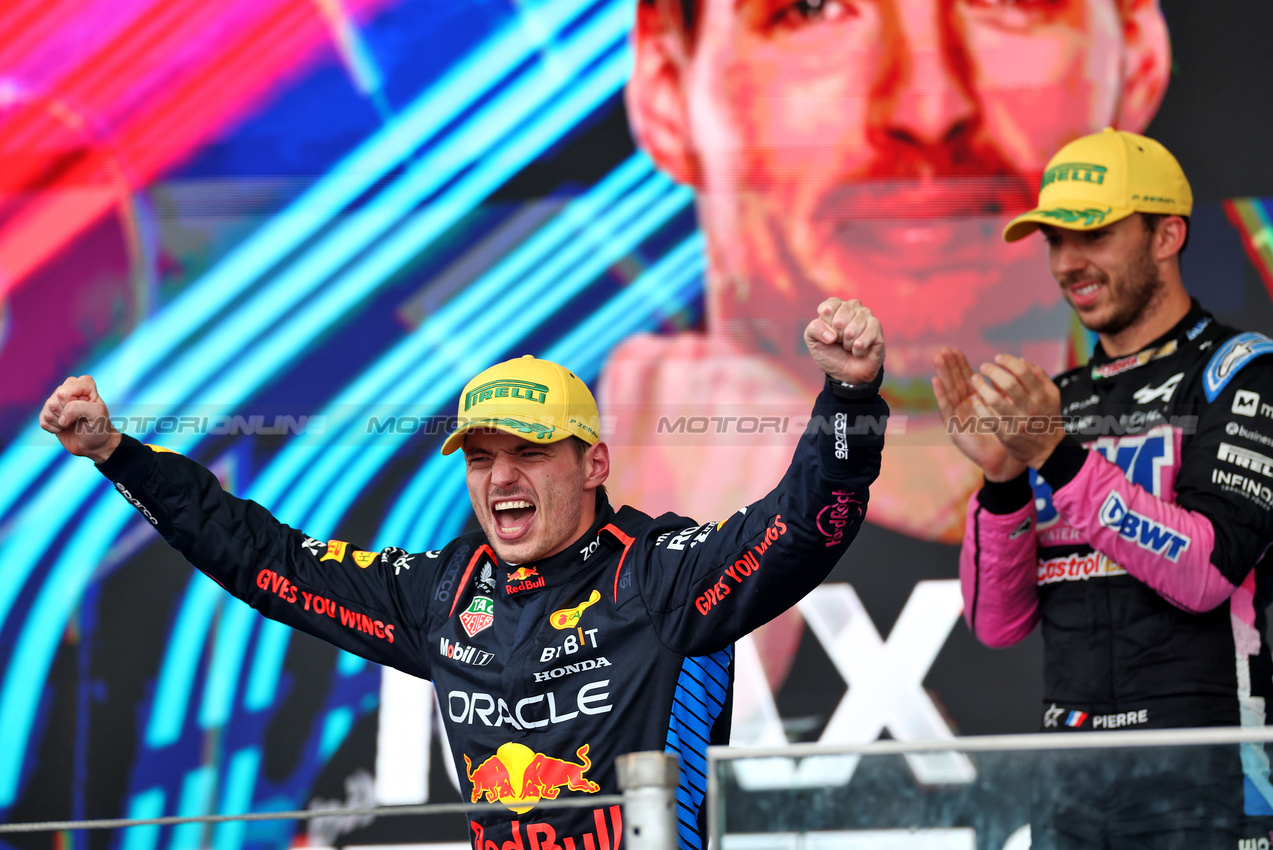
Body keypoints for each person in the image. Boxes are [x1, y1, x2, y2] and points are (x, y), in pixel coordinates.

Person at [40, 297, 887, 850]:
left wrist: (848, 403)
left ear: (593, 464)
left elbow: (801, 530)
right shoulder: (444, 591)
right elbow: (265, 560)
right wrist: (119, 457)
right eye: (480, 457)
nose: (500, 478)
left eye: (527, 453)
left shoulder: (658, 574)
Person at [610, 0, 1172, 544]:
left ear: (1136, 56)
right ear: (667, 90)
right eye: (814, 6)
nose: (929, 111)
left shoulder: (1220, 406)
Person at [934, 128, 1273, 846]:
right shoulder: (1053, 403)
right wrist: (999, 482)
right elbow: (995, 624)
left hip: (1210, 771)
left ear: (1165, 235)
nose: (1067, 264)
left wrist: (1054, 458)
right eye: (1054, 241)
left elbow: (1206, 572)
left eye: (1091, 234)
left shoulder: (1241, 374)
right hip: (1071, 778)